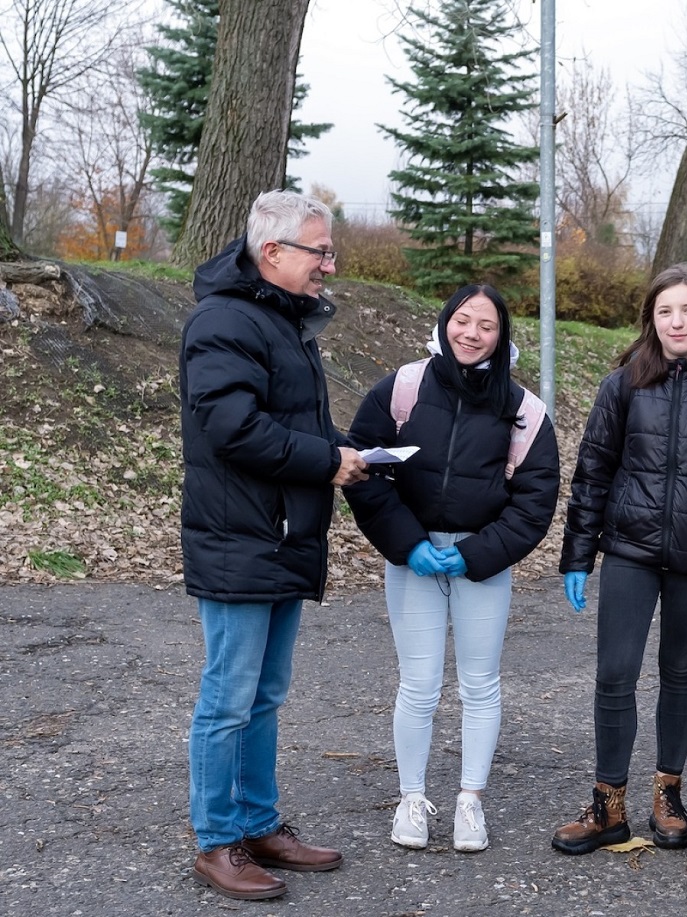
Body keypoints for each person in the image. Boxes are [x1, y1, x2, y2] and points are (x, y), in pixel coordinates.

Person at [180, 190, 369, 900]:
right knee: (227, 699)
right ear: (273, 253)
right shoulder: (224, 320)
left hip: (282, 537)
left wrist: (355, 451)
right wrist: (327, 462)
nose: (330, 262)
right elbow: (235, 429)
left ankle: (258, 822)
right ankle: (217, 839)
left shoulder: (281, 321)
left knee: (263, 695)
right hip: (239, 539)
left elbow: (294, 422)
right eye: (319, 250)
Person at [552, 263, 687, 855]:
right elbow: (592, 474)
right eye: (665, 311)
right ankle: (608, 805)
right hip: (629, 551)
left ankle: (668, 795)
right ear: (651, 320)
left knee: (681, 671)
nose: (677, 321)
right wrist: (578, 554)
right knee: (615, 673)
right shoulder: (622, 385)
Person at [344, 284, 559, 853]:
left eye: (485, 326)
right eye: (462, 320)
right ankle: (411, 799)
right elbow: (363, 466)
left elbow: (536, 501)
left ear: (501, 336)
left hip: (480, 563)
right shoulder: (404, 387)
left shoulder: (523, 410)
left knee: (480, 684)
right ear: (444, 323)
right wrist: (407, 542)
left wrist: (475, 553)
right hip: (413, 559)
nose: (471, 333)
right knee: (418, 685)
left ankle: (470, 802)